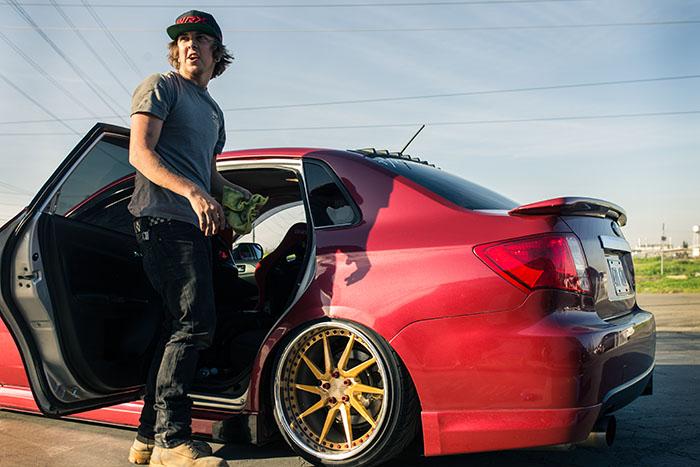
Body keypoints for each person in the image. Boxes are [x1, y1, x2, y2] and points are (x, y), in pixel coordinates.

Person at [126, 10, 249, 466]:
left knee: (175, 328)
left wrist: (239, 201)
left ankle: (146, 437)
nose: (191, 45)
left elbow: (210, 175)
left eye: (202, 39)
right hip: (161, 220)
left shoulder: (214, 111)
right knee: (193, 324)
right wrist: (194, 193)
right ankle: (172, 441)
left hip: (194, 225)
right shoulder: (162, 86)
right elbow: (141, 152)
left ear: (218, 55)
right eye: (183, 39)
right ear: (175, 51)